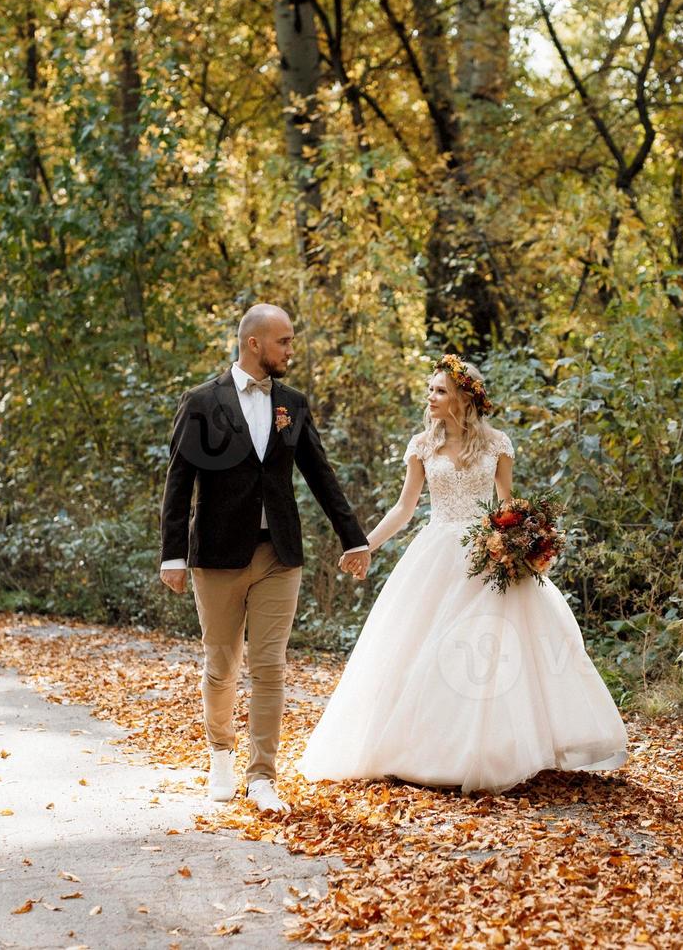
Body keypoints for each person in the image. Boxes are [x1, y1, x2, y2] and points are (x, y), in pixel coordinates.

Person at [295, 354, 629, 794]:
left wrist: (522, 544)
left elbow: (507, 505)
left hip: (487, 554)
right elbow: (404, 508)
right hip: (435, 554)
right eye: (430, 389)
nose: (430, 398)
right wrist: (364, 544)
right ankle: (424, 750)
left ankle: (496, 750)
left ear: (463, 398)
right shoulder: (422, 445)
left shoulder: (497, 445)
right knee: (425, 648)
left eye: (439, 391)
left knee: (491, 654)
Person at [158, 303, 371, 817]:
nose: (290, 351)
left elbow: (320, 474)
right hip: (217, 555)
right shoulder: (202, 402)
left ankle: (262, 776)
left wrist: (354, 538)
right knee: (222, 664)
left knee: (270, 666)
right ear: (254, 343)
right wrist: (172, 554)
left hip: (279, 553)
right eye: (284, 342)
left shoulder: (292, 405)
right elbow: (179, 479)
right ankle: (220, 755)